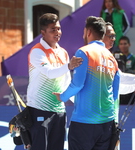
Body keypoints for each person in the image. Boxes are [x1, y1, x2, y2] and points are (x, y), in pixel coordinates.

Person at [54, 16, 120, 150]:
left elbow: (78, 84)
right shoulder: (112, 58)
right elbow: (114, 94)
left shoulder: (84, 52)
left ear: (88, 32)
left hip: (84, 123)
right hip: (107, 122)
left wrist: (62, 97)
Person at [26, 13, 82, 150]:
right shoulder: (37, 51)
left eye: (58, 28)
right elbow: (50, 73)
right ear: (43, 32)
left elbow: (67, 82)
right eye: (53, 30)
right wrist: (69, 66)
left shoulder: (63, 53)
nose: (57, 33)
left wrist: (80, 104)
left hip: (59, 111)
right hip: (39, 110)